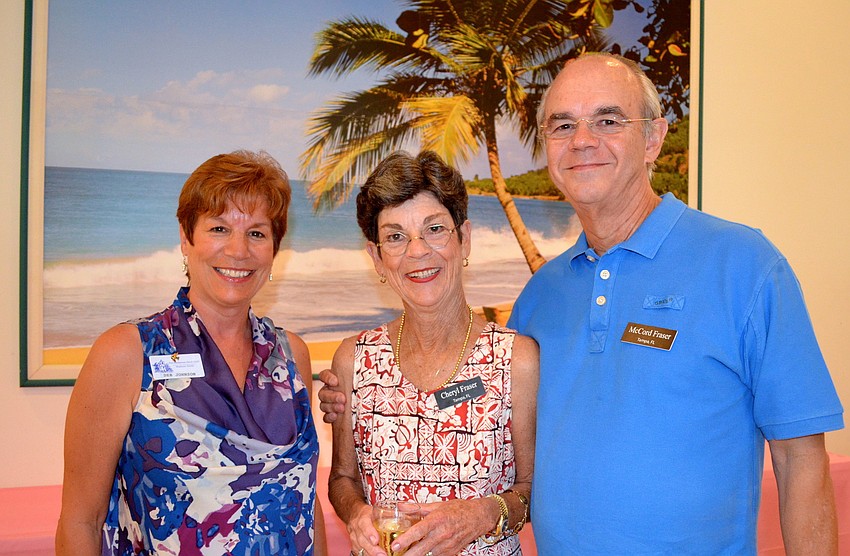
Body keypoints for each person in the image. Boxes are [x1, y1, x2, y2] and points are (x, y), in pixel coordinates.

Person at [320, 53, 845, 554]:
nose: (583, 142)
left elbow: (802, 460)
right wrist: (351, 396)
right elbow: (473, 404)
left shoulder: (744, 265)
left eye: (608, 120)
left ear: (654, 138)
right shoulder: (542, 297)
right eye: (563, 125)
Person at [56, 150, 327, 555]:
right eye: (219, 228)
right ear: (187, 237)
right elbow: (82, 521)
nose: (238, 250)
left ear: (274, 250)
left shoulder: (291, 356)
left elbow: (305, 501)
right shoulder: (127, 353)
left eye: (256, 233)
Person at [327, 150, 539, 556]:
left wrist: (481, 515)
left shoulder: (517, 359)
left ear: (464, 240)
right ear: (377, 258)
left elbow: (532, 490)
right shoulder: (354, 359)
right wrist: (356, 515)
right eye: (395, 237)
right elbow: (342, 478)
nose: (418, 251)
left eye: (435, 229)